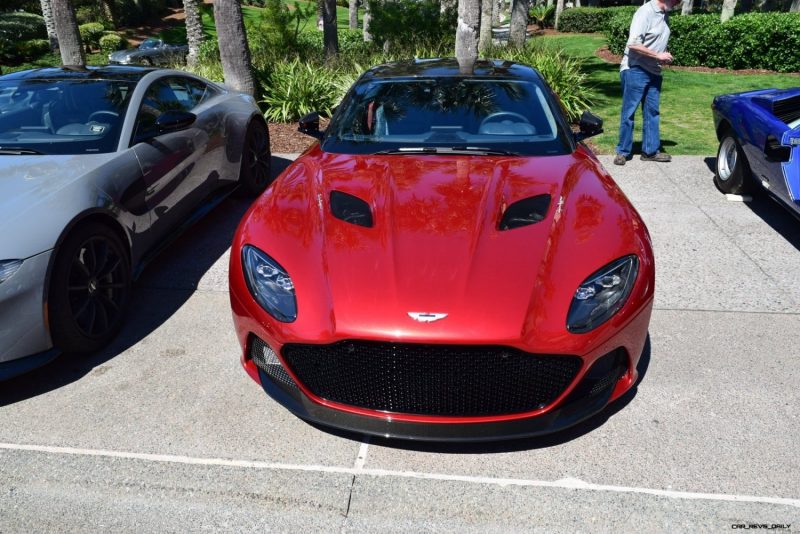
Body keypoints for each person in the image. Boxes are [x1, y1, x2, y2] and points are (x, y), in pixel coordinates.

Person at [613, 0, 681, 166]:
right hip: (635, 68)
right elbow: (633, 43)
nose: (679, 3)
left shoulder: (665, 15)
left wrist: (661, 55)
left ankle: (650, 151)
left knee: (652, 112)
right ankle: (623, 151)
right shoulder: (645, 12)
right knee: (629, 112)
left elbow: (654, 41)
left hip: (654, 72)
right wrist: (657, 55)